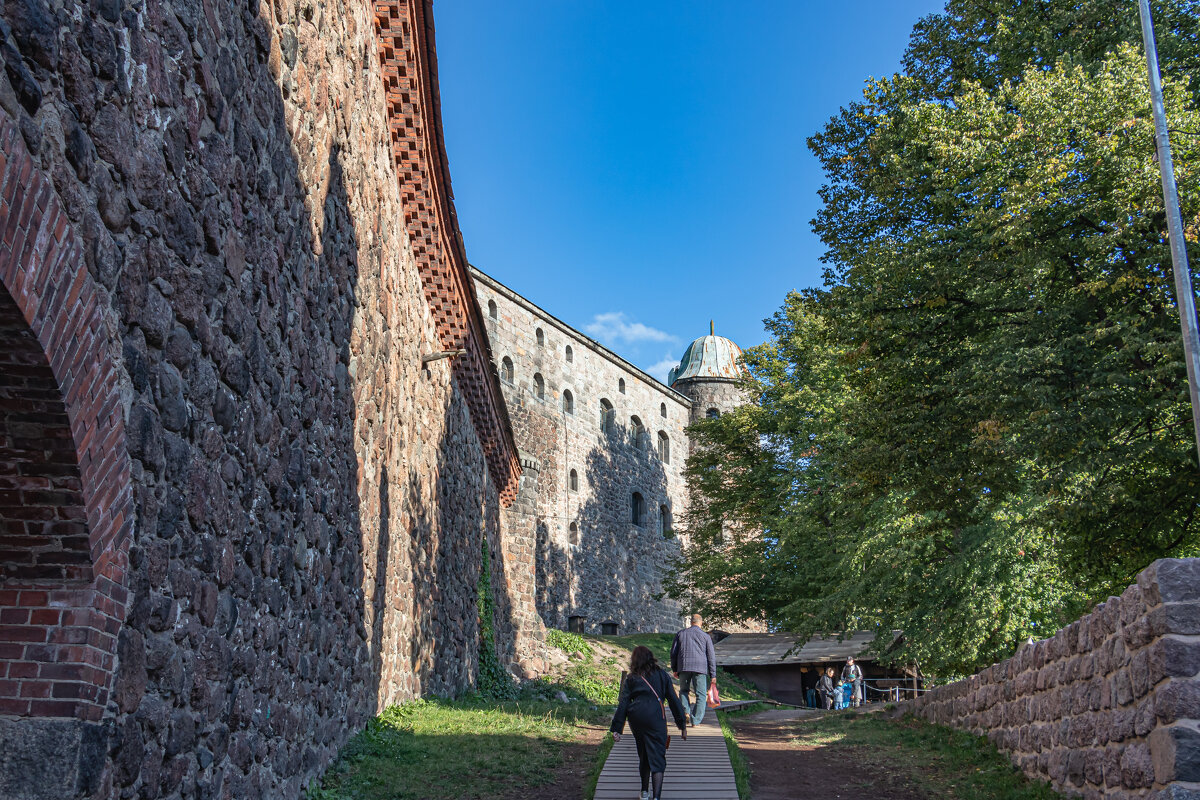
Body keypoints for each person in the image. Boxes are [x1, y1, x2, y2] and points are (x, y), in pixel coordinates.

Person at [611, 645, 688, 800]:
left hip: (637, 718)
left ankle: (644, 792)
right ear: (651, 658)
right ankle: (656, 797)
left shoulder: (632, 678)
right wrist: (682, 725)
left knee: (644, 754)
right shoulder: (662, 675)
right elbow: (673, 700)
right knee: (657, 758)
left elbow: (624, 702)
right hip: (655, 717)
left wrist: (617, 728)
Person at [670, 613, 716, 726]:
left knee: (683, 691)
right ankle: (695, 720)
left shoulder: (681, 634)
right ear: (701, 623)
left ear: (691, 622)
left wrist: (675, 668)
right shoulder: (706, 636)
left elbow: (673, 653)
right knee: (700, 695)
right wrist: (713, 675)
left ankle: (686, 711)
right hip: (700, 668)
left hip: (684, 666)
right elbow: (711, 656)